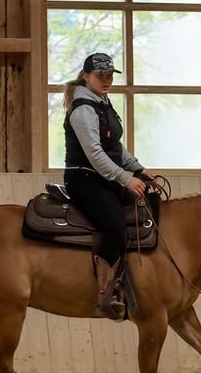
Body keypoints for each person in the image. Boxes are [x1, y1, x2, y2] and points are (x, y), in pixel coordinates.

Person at [63, 52, 156, 321]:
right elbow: (95, 154)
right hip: (85, 180)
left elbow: (115, 148)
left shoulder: (103, 103)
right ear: (86, 76)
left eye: (108, 76)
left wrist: (138, 168)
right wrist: (126, 178)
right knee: (114, 223)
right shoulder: (83, 109)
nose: (105, 80)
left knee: (145, 207)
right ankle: (105, 293)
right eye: (100, 76)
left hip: (104, 178)